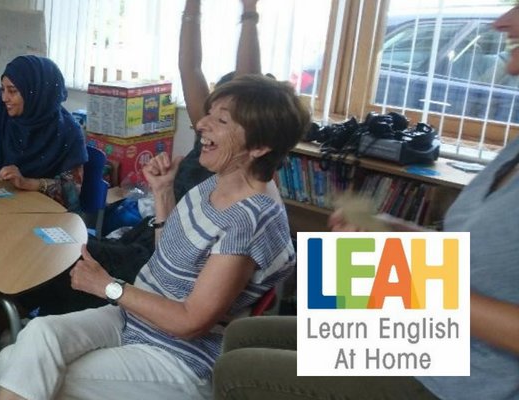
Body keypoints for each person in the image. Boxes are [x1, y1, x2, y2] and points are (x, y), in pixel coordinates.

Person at [211, 9, 519, 400]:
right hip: (436, 335)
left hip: (468, 381)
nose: (501, 21)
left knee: (239, 372)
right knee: (241, 334)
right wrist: (392, 230)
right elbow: (478, 253)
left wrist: (409, 281)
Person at [0, 75, 309, 400]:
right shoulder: (219, 179)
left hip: (180, 356)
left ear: (259, 147)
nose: (201, 124)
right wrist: (162, 194)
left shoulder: (250, 218)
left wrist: (108, 286)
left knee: (22, 368)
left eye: (221, 120)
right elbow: (171, 259)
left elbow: (192, 322)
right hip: (136, 319)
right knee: (34, 339)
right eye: (209, 113)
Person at [0, 55, 88, 210]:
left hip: (48, 215)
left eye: (12, 91)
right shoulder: (0, 119)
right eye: (3, 89)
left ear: (36, 93)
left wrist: (27, 183)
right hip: (3, 210)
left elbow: (72, 192)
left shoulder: (68, 131)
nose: (4, 98)